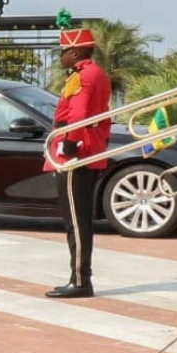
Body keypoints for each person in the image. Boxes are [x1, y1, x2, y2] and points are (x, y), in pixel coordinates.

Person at [44, 25, 112, 299]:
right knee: (78, 220)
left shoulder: (84, 76)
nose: (61, 58)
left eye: (63, 52)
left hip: (76, 153)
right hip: (87, 149)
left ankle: (82, 280)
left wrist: (69, 144)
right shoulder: (96, 74)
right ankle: (79, 277)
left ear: (74, 51)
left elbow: (79, 114)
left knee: (76, 221)